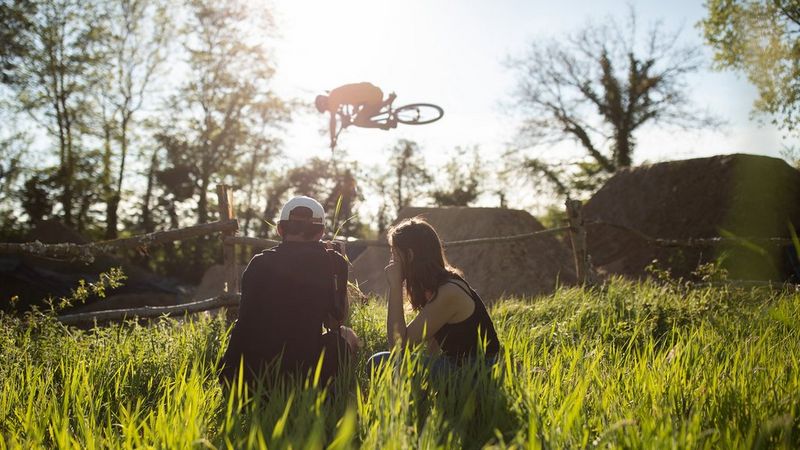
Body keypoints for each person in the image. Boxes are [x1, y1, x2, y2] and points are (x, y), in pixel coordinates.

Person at [219, 196, 361, 385]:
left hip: (244, 378)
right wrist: (339, 266)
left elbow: (246, 319)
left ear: (280, 229)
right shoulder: (332, 261)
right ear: (321, 232)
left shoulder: (258, 262)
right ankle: (335, 397)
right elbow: (335, 321)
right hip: (299, 376)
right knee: (347, 335)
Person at [367, 217, 500, 373]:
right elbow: (433, 345)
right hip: (459, 365)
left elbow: (398, 346)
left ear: (409, 255)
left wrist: (395, 286)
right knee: (385, 362)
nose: (392, 261)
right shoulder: (435, 286)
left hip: (478, 371)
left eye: (394, 254)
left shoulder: (449, 291)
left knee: (381, 363)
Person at [315, 82, 397, 148]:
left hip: (371, 96)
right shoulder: (336, 95)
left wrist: (332, 138)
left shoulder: (332, 98)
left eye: (325, 108)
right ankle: (387, 101)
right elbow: (353, 97)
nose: (328, 110)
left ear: (324, 103)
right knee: (366, 115)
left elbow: (333, 121)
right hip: (374, 93)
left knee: (359, 122)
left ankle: (385, 125)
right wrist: (355, 108)